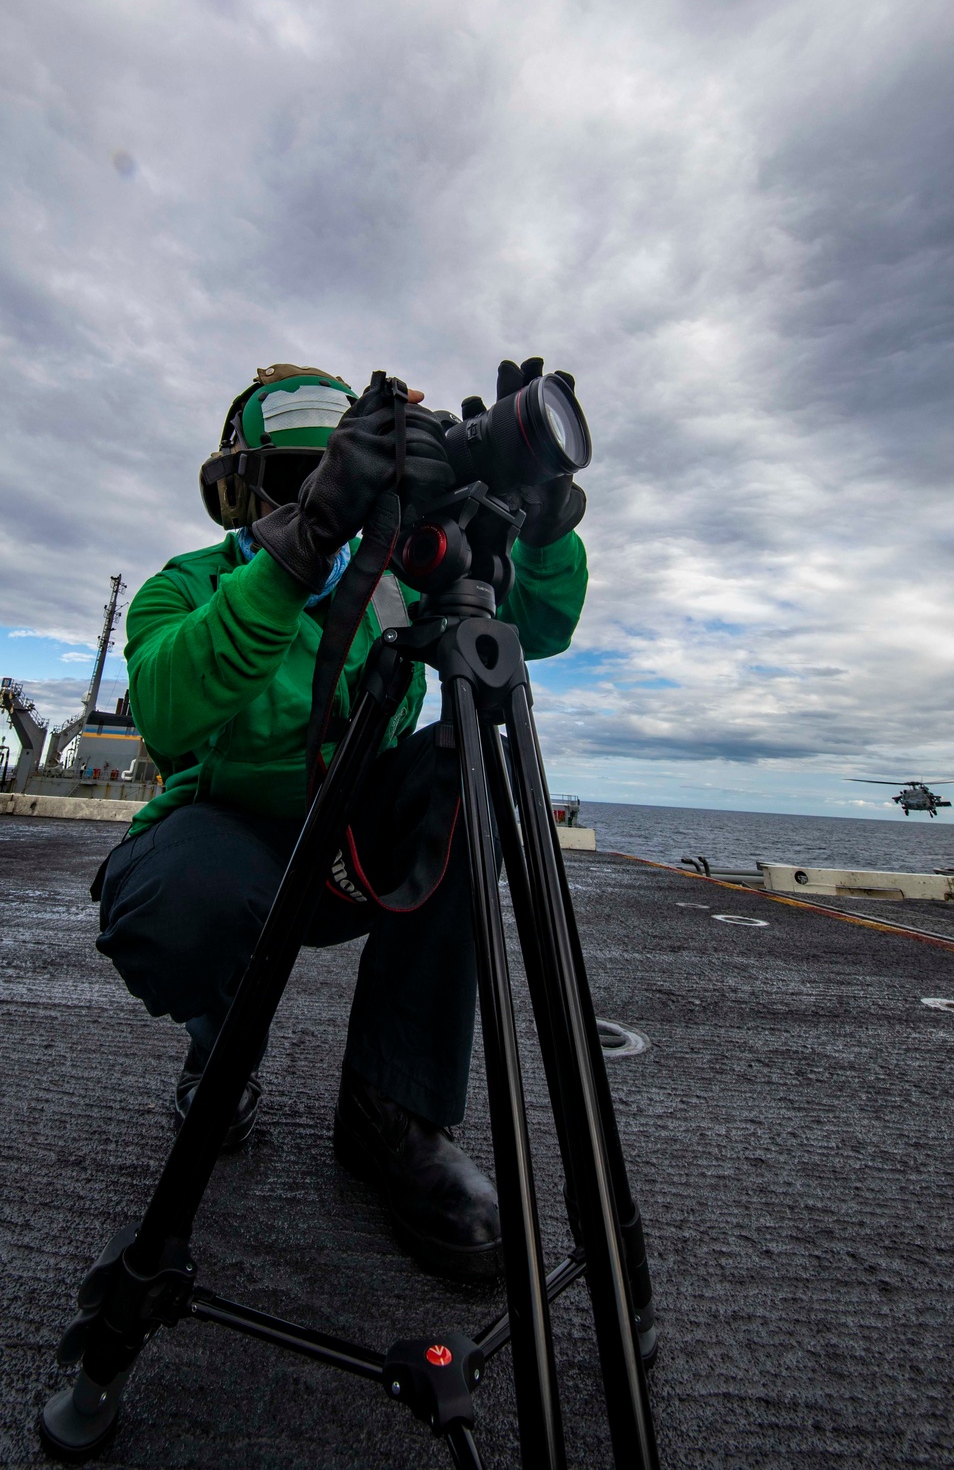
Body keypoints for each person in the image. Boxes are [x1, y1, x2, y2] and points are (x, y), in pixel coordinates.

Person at [93, 358, 588, 1284]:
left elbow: (546, 623)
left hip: (350, 848)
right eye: (296, 483)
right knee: (178, 902)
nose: (332, 505)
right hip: (228, 841)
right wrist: (306, 541)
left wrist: (542, 522)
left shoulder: (396, 577)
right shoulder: (189, 583)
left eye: (345, 483)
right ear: (241, 494)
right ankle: (218, 1051)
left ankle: (392, 1108)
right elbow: (166, 706)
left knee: (467, 767)